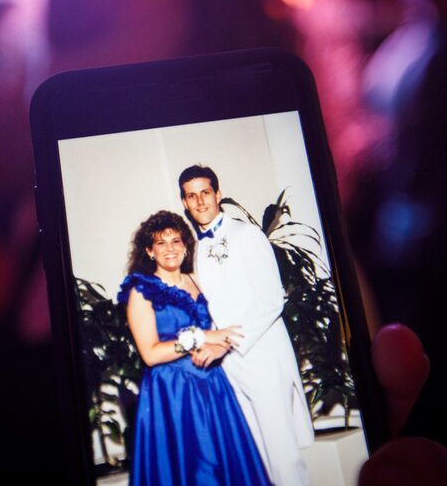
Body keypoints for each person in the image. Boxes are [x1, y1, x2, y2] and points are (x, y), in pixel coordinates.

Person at [178, 165, 314, 486]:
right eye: (191, 195)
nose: (199, 201)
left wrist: (224, 342)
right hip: (228, 368)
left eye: (205, 192)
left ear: (218, 195)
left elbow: (271, 300)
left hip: (263, 358)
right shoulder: (192, 249)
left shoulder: (246, 235)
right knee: (255, 458)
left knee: (283, 457)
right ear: (184, 202)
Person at [117, 210, 270, 485]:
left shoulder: (199, 280)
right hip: (172, 391)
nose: (170, 249)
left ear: (186, 246)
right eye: (161, 243)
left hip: (213, 384)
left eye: (176, 241)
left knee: (227, 467)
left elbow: (224, 328)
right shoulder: (141, 291)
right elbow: (150, 354)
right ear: (150, 251)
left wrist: (218, 344)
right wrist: (199, 339)